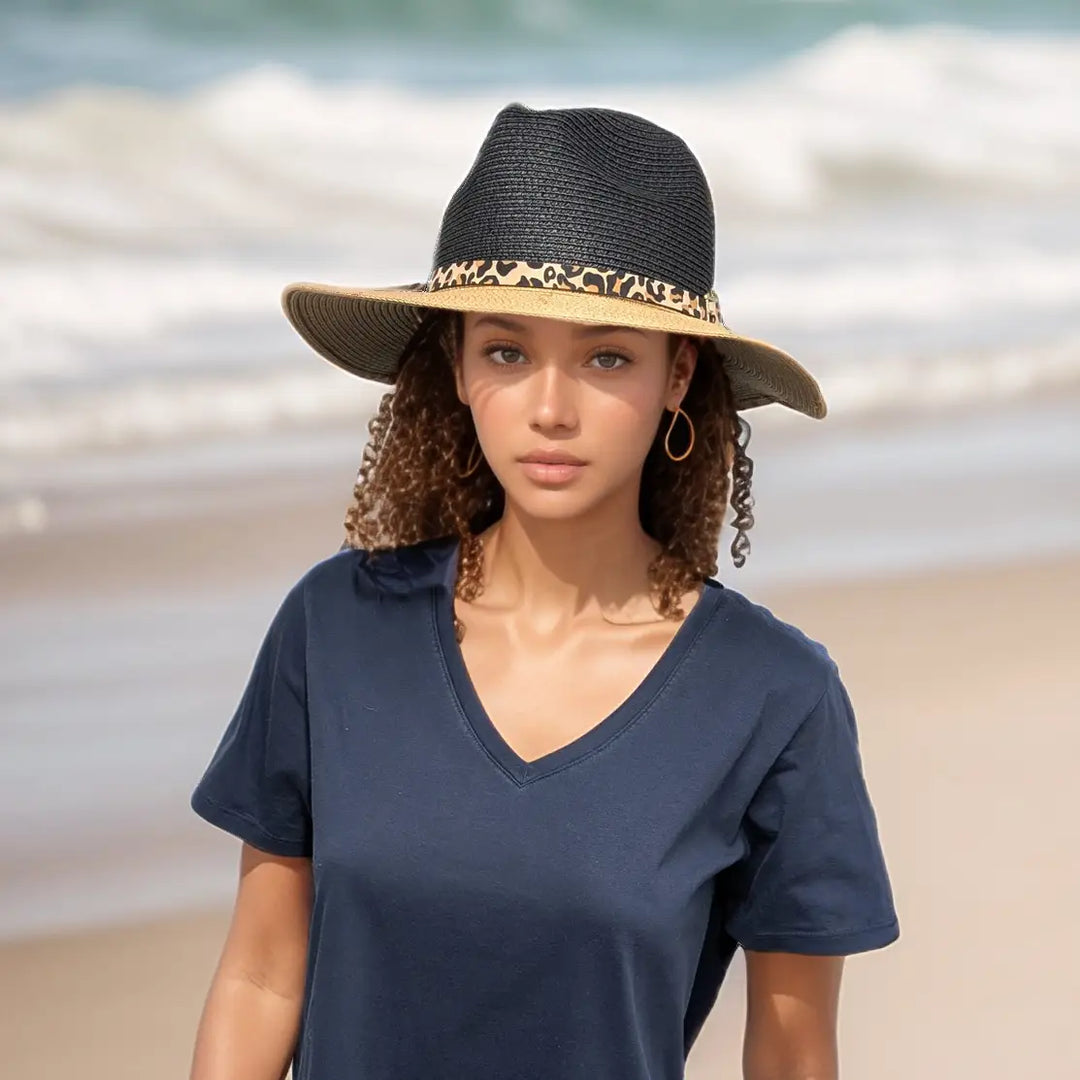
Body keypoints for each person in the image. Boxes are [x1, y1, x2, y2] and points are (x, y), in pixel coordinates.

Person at [187, 103, 899, 1080]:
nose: (550, 410)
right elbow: (263, 978)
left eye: (607, 357)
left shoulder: (773, 697)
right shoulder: (336, 630)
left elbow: (791, 1052)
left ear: (678, 372)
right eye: (507, 351)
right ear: (457, 363)